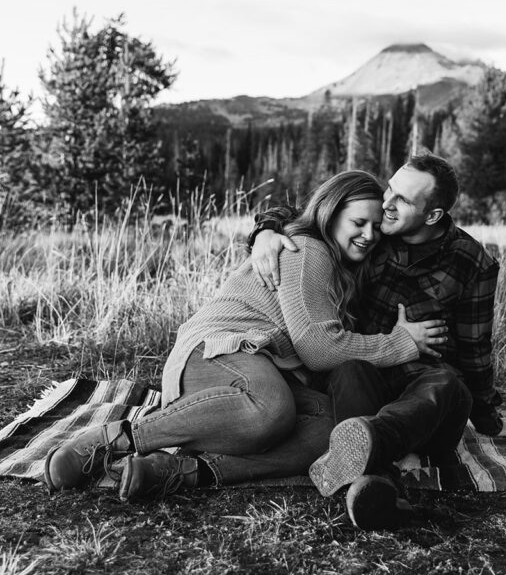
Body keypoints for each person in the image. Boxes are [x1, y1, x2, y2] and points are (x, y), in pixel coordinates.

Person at [44, 170, 448, 501]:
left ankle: (182, 470)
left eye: (377, 226)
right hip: (218, 350)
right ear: (329, 213)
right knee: (271, 409)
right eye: (359, 223)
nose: (369, 234)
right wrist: (402, 343)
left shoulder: (342, 268)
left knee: (334, 430)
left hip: (255, 371)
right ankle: (114, 438)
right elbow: (321, 349)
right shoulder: (309, 250)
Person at [250, 153, 501, 530]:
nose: (387, 203)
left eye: (402, 199)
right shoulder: (371, 232)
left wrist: (487, 417)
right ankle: (375, 483)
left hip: (426, 397)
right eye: (390, 188)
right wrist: (265, 231)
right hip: (364, 377)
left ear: (432, 216)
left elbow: (474, 346)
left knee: (446, 382)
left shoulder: (472, 261)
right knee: (349, 370)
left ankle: (369, 445)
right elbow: (311, 212)